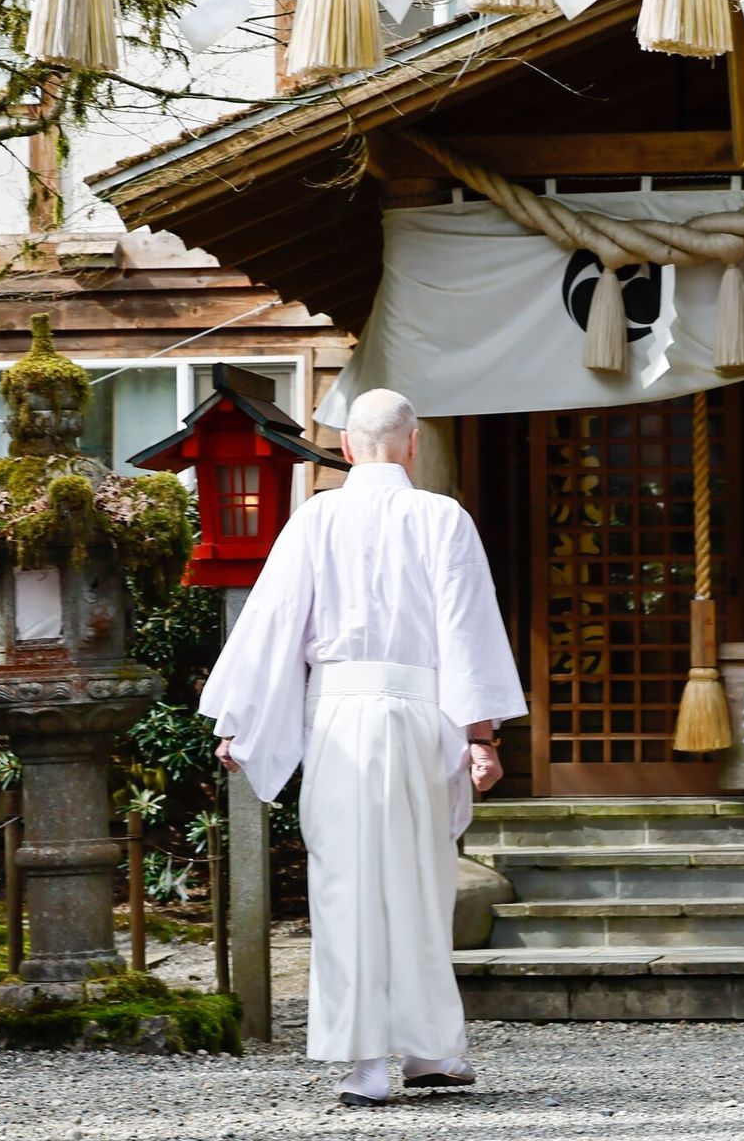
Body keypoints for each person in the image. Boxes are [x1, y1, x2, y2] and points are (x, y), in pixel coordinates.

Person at [201, 388, 525, 1107]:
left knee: (346, 883)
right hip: (421, 714)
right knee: (418, 879)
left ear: (345, 447)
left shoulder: (315, 519)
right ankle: (430, 1051)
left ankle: (364, 1065)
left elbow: (275, 624)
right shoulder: (443, 519)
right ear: (411, 445)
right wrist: (481, 737)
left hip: (340, 715)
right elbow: (465, 631)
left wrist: (241, 722)